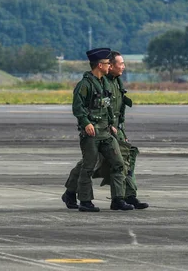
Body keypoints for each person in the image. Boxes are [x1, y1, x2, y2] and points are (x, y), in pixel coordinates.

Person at [62, 50, 148, 210]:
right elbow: (80, 106)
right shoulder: (94, 82)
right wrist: (87, 122)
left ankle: (126, 196)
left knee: (122, 161)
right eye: (119, 64)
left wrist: (117, 128)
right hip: (95, 130)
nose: (123, 67)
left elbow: (114, 109)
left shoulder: (113, 82)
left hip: (110, 129)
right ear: (106, 65)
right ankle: (76, 194)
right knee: (90, 164)